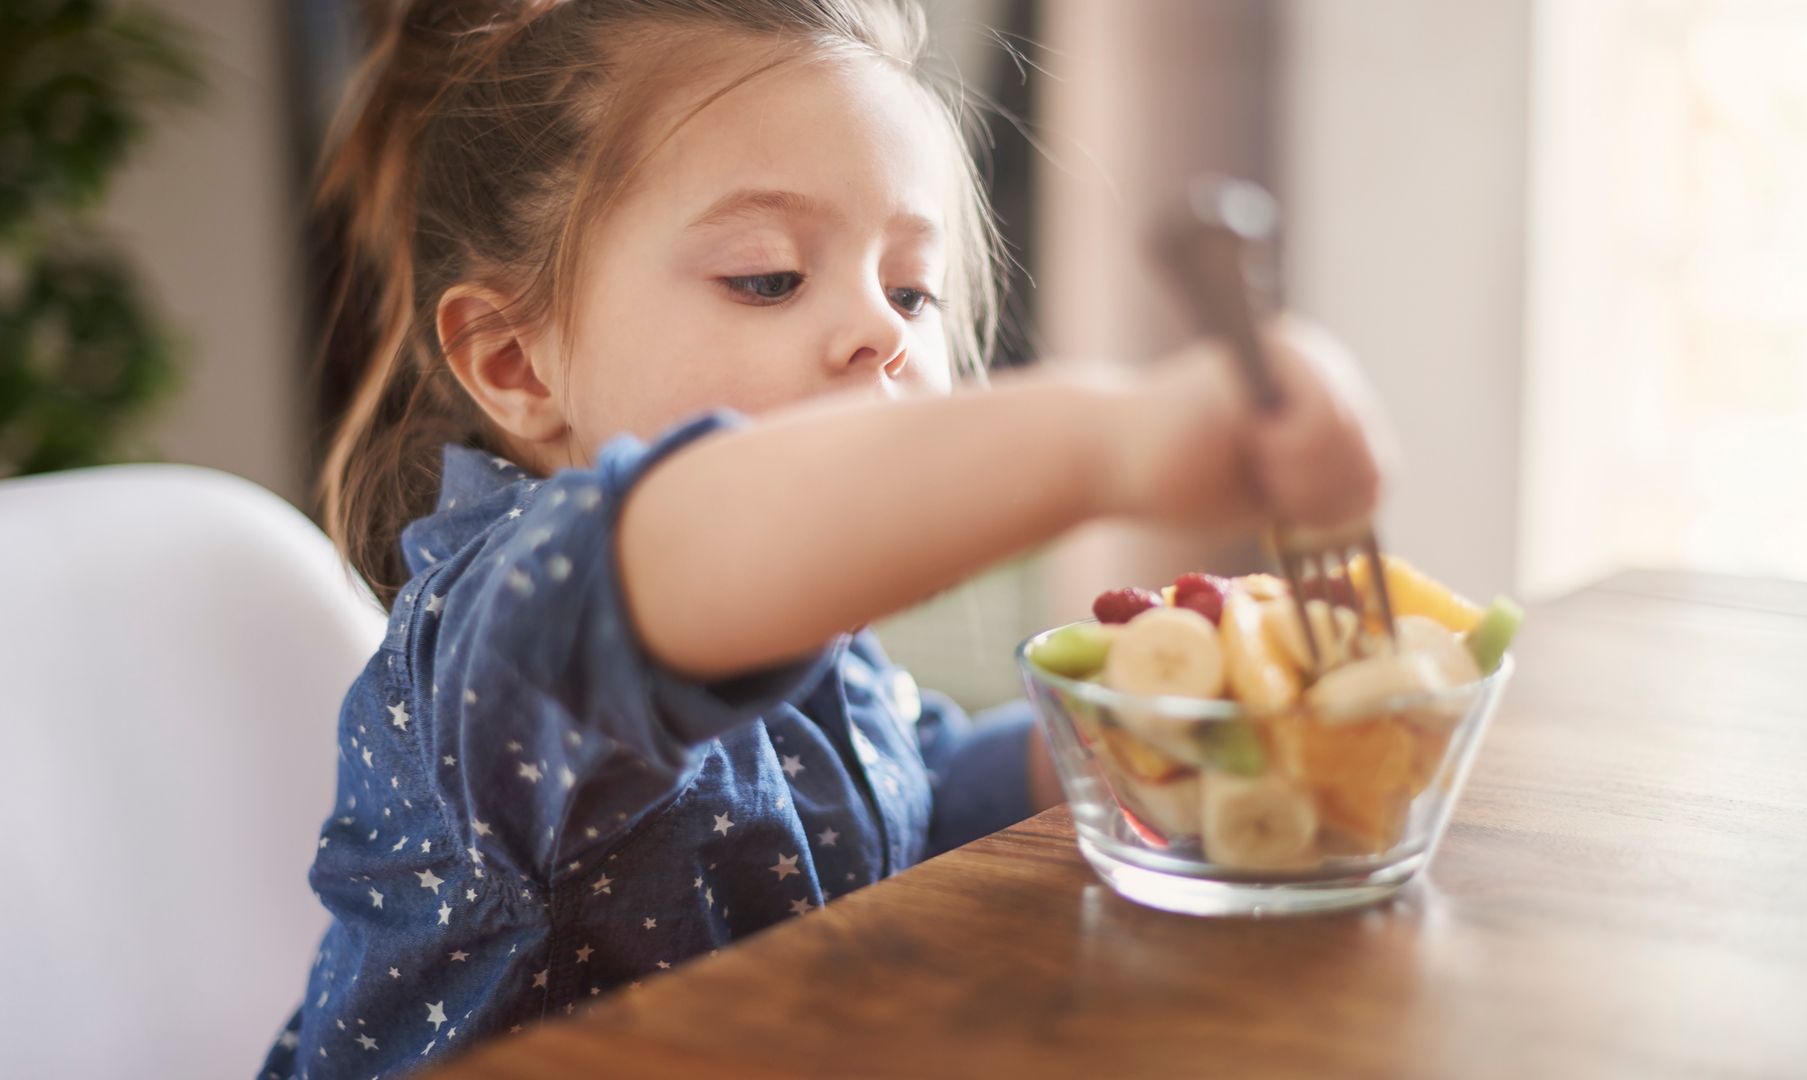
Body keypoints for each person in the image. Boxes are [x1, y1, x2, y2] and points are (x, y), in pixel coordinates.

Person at [263, 1, 1388, 1075]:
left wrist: (1118, 737)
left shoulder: (809, 636)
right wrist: (1117, 438)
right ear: (515, 361)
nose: (876, 332)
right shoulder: (504, 631)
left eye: (911, 292)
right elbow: (692, 537)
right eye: (769, 278)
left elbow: (905, 804)